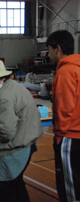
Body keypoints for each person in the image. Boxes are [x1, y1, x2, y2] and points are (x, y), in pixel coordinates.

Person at [0, 60, 42, 202]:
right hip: (27, 141)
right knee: (17, 184)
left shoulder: (4, 97)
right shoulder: (15, 87)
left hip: (15, 148)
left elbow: (4, 133)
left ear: (2, 77)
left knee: (8, 188)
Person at [46, 30, 80, 202]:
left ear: (57, 49)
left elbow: (64, 108)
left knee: (70, 187)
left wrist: (59, 137)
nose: (49, 55)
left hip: (70, 136)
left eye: (49, 51)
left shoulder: (66, 71)